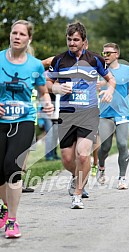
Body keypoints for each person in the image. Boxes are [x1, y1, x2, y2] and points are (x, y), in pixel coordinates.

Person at [46, 21, 116, 209]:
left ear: (84, 41)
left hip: (89, 113)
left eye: (76, 39)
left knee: (83, 155)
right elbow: (47, 82)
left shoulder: (95, 60)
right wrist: (56, 87)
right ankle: (77, 176)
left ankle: (77, 193)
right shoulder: (59, 60)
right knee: (68, 159)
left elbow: (111, 79)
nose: (72, 43)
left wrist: (110, 90)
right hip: (67, 115)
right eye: (69, 39)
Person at [0, 20, 53, 238]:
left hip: (23, 121)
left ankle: (12, 221)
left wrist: (47, 102)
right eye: (14, 32)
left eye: (22, 34)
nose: (17, 36)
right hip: (1, 121)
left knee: (12, 166)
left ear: (28, 38)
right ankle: (3, 208)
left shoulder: (34, 66)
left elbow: (43, 91)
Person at [97, 42, 129, 189]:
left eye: (108, 53)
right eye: (103, 53)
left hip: (122, 113)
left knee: (122, 144)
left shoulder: (128, 70)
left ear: (117, 54)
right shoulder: (99, 70)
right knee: (105, 147)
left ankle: (122, 177)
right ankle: (101, 167)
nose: (105, 55)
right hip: (105, 114)